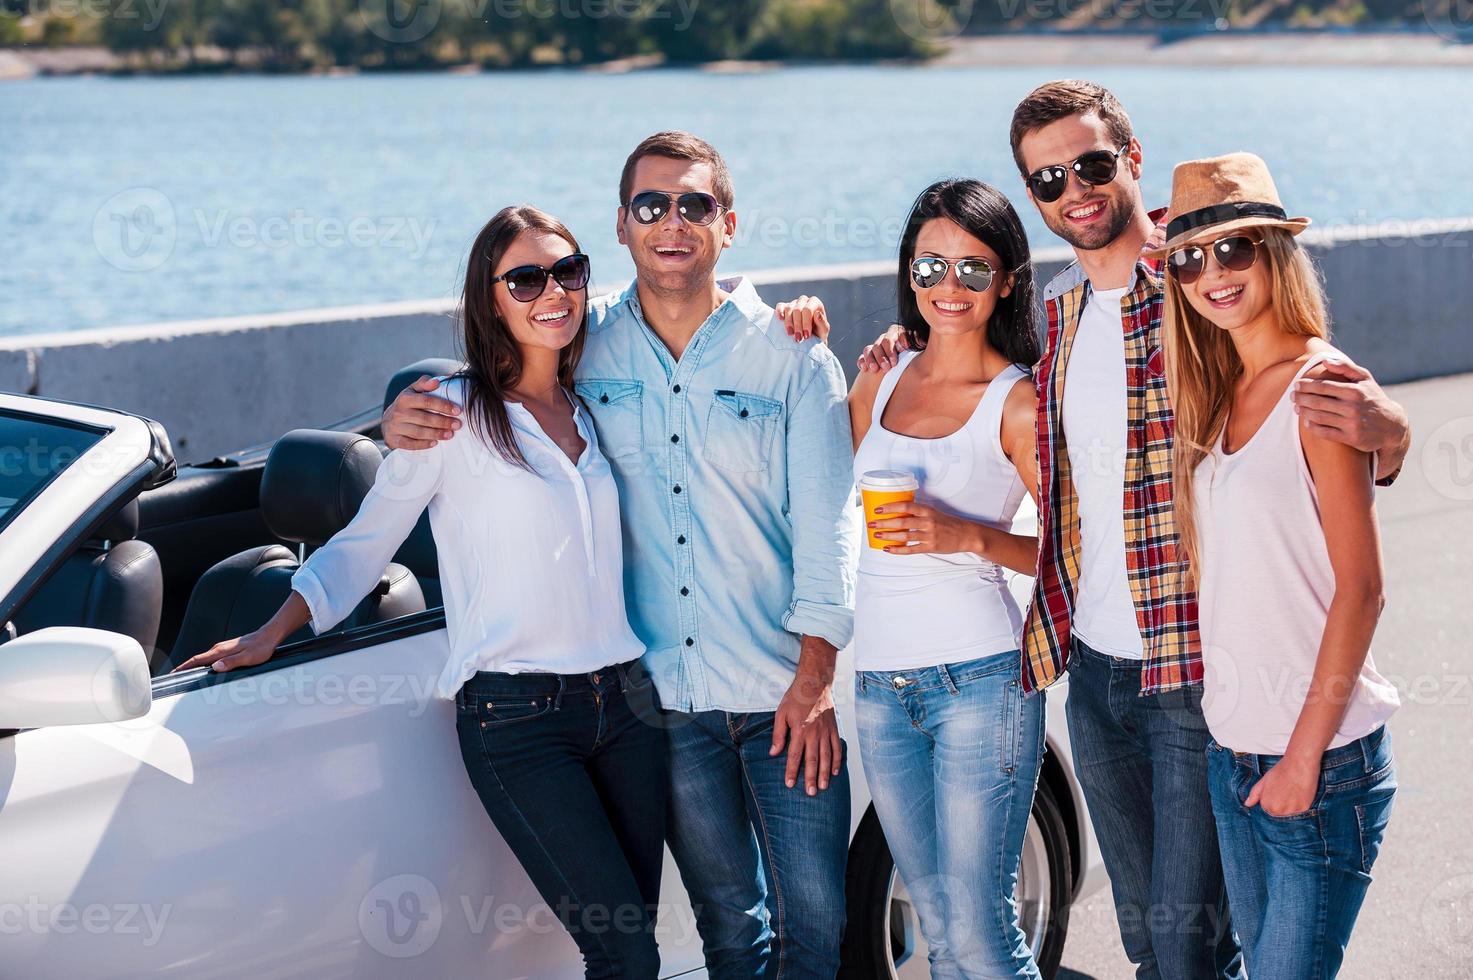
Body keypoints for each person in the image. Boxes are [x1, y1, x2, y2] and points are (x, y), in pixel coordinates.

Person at [816, 80, 1413, 979]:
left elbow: (1300, 382)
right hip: (1088, 672)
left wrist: (1391, 433)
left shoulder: (1191, 282)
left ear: (1130, 161)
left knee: (1185, 948)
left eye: (1091, 164)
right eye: (1047, 179)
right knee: (1149, 943)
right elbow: (968, 366)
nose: (1074, 190)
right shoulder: (1054, 314)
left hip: (1188, 670)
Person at [382, 132, 859, 979]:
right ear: (622, 224)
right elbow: (498, 365)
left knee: (814, 939)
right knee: (730, 938)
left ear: (728, 223)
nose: (671, 223)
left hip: (783, 694)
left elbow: (831, 526)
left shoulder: (792, 356)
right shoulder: (583, 342)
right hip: (664, 709)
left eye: (694, 205)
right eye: (650, 206)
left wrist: (817, 680)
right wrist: (397, 419)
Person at [172, 206, 669, 978]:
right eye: (526, 278)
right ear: (490, 298)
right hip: (520, 721)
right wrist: (273, 630)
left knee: (636, 933)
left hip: (629, 711)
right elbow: (367, 542)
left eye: (567, 271)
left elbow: (679, 304)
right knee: (624, 953)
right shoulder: (451, 416)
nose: (553, 292)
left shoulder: (595, 404)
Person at [1157, 152, 1399, 979]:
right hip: (1236, 756)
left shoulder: (1322, 385)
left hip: (1320, 765)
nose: (1209, 273)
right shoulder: (1221, 392)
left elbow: (1360, 592)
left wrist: (1301, 758)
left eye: (1233, 249)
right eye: (1188, 258)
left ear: (1273, 252)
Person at [848, 178, 1046, 977]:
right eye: (930, 268)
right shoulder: (878, 379)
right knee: (935, 926)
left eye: (973, 268)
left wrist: (966, 533)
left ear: (1004, 280)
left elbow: (1076, 554)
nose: (949, 287)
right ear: (908, 276)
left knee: (978, 931)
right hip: (877, 688)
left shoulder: (1016, 401)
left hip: (981, 680)